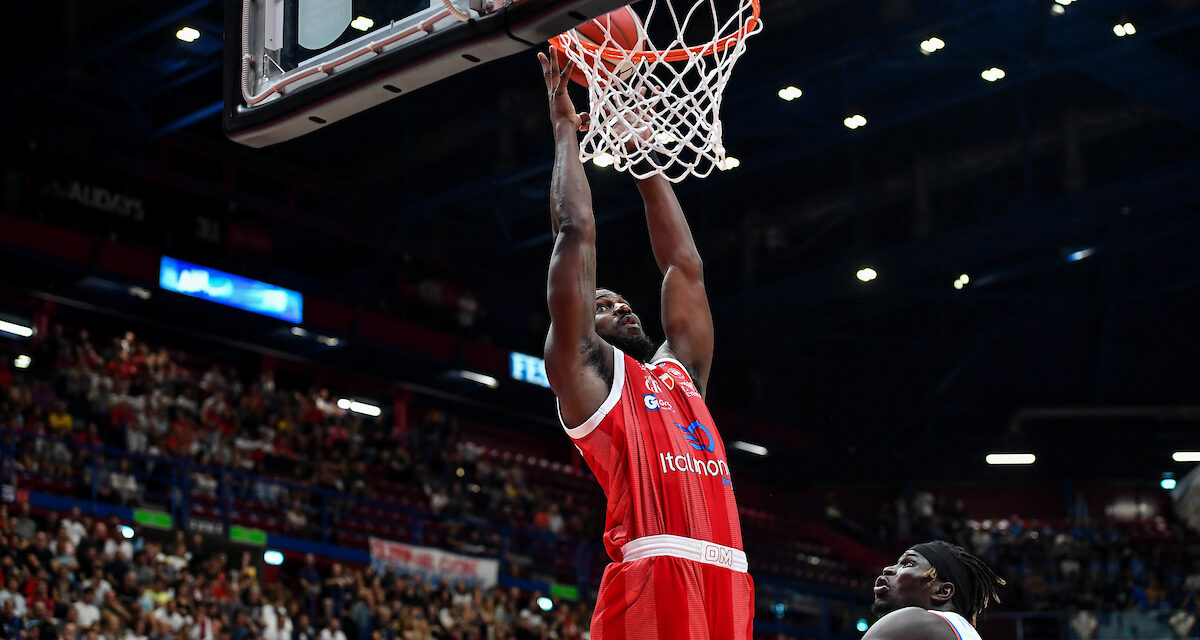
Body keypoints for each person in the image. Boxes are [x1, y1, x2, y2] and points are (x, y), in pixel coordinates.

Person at [536, 51, 753, 639]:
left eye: (623, 300)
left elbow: (685, 266)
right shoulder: (586, 375)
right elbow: (575, 232)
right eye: (603, 304)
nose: (622, 306)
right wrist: (565, 130)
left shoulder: (682, 376)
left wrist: (643, 158)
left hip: (729, 576)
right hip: (655, 574)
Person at [866, 540, 1006, 639]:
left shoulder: (913, 620)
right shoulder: (964, 632)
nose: (887, 569)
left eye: (908, 564)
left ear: (942, 591)